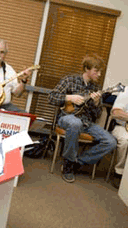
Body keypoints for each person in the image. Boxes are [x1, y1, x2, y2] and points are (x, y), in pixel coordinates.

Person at [48, 54, 117, 183]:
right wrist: (69, 98)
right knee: (75, 123)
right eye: (96, 71)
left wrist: (97, 103)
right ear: (86, 69)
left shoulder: (96, 89)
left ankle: (78, 162)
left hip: (86, 122)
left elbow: (96, 115)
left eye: (100, 71)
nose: (99, 74)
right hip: (67, 118)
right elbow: (51, 97)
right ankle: (68, 163)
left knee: (110, 142)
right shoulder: (70, 80)